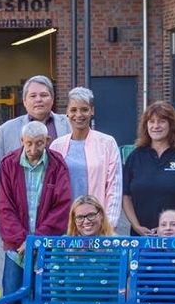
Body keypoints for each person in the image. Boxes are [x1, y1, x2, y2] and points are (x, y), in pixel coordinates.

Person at [0, 119, 72, 304]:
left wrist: (36, 241)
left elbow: (62, 206)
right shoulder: (9, 164)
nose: (33, 149)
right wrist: (21, 242)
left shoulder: (57, 164)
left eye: (39, 143)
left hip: (45, 248)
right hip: (15, 249)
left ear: (47, 142)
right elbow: (3, 207)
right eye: (29, 144)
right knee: (13, 301)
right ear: (21, 142)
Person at [122, 101, 175, 235]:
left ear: (171, 125)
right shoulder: (135, 157)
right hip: (142, 236)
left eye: (162, 121)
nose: (156, 126)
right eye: (151, 122)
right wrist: (136, 226)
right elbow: (126, 197)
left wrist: (173, 226)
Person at [50, 86, 123, 227]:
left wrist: (109, 223)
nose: (79, 115)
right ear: (67, 112)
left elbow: (114, 186)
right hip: (65, 224)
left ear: (92, 111)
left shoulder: (107, 143)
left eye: (84, 109)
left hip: (96, 224)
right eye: (73, 110)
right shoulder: (56, 146)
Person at [0, 75, 72, 185]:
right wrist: (11, 193)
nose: (38, 99)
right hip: (21, 199)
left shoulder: (69, 125)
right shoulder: (6, 130)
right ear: (24, 101)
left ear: (52, 99)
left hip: (60, 197)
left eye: (44, 95)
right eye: (33, 96)